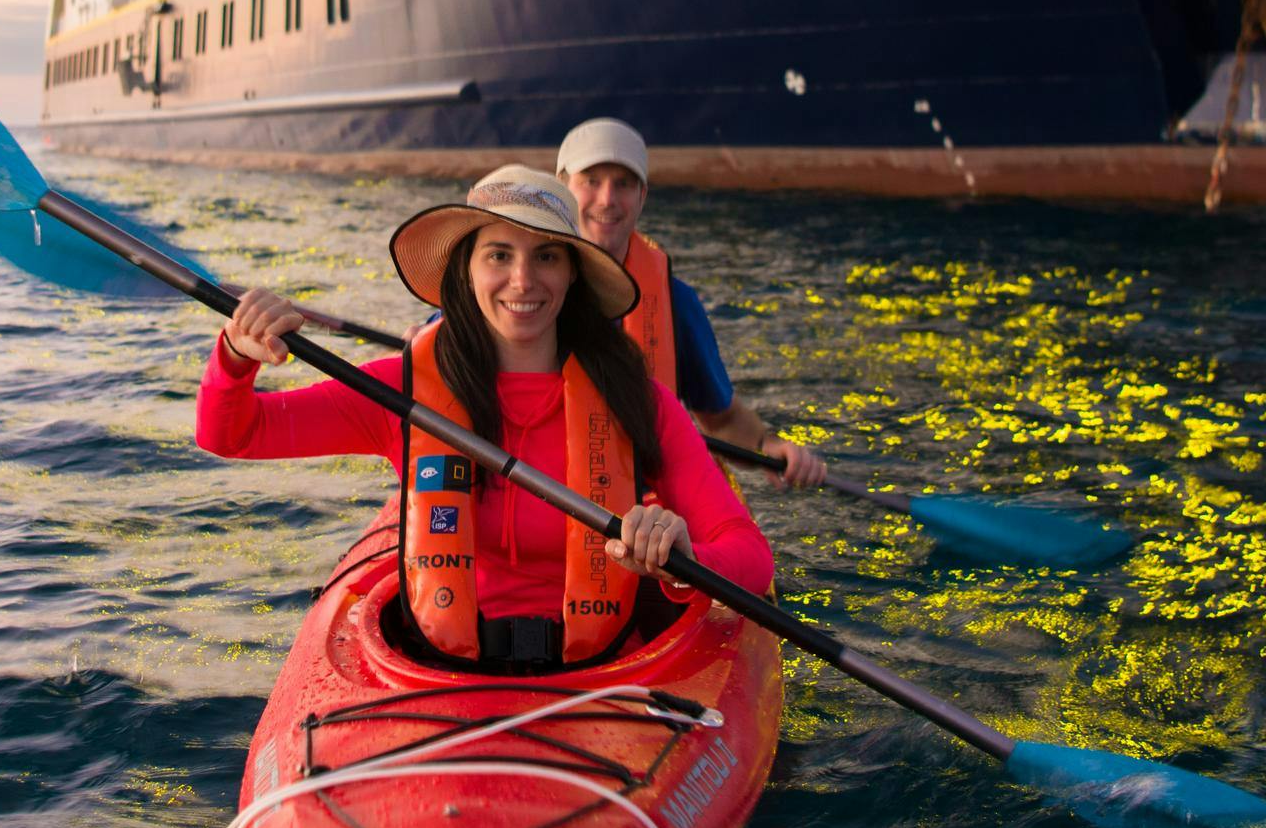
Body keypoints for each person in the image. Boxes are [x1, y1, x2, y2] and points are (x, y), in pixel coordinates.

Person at [201, 171, 773, 674]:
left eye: (546, 255)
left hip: (607, 672)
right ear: (466, 271)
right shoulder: (401, 391)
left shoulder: (638, 401)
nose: (523, 280)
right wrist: (235, 355)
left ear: (573, 273)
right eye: (499, 255)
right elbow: (233, 433)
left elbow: (749, 553)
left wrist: (686, 562)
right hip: (439, 670)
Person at [554, 118, 830, 489]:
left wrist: (769, 445)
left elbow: (722, 420)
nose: (607, 199)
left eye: (623, 184)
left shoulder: (675, 303)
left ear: (642, 196)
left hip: (642, 517)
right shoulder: (526, 293)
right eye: (591, 181)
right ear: (561, 187)